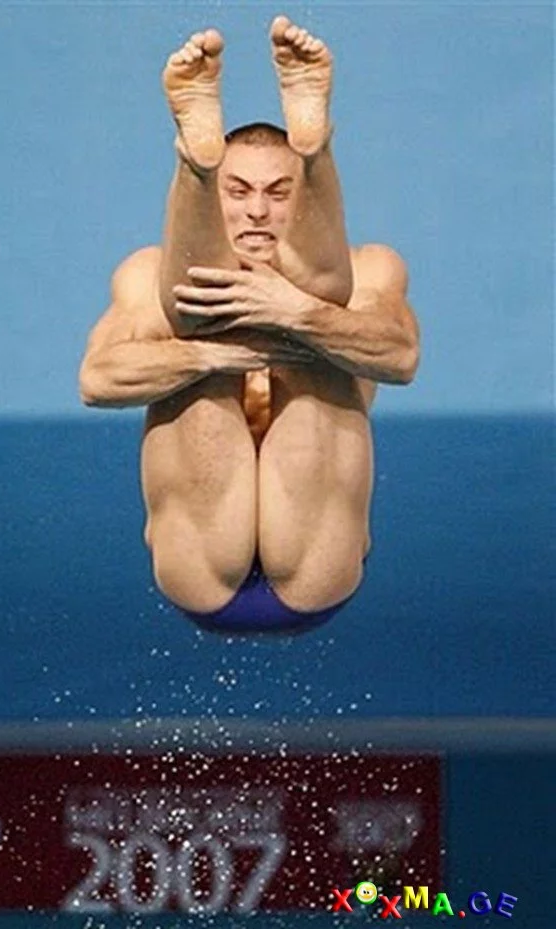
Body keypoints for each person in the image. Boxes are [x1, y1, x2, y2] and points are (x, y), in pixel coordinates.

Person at [79, 15, 420, 634]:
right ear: (217, 201)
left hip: (317, 554)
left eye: (280, 192)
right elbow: (98, 380)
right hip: (200, 556)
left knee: (322, 343)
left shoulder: (370, 269)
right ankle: (196, 162)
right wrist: (216, 354)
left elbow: (400, 358)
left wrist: (296, 314)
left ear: (303, 199)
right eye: (236, 191)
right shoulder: (147, 274)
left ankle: (314, 149)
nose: (258, 211)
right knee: (202, 329)